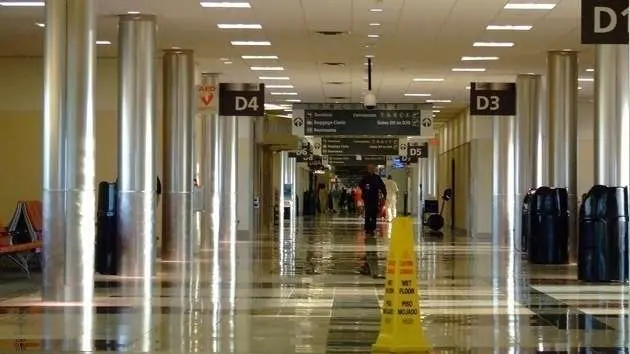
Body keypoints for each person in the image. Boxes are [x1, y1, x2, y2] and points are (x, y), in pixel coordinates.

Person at [359, 165, 387, 236]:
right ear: (368, 169)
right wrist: (365, 187)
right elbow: (360, 184)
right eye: (370, 168)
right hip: (367, 197)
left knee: (374, 214)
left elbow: (382, 186)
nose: (371, 170)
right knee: (368, 213)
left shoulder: (377, 177)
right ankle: (368, 229)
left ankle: (373, 228)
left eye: (372, 168)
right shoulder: (365, 177)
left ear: (374, 169)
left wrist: (385, 194)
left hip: (374, 197)